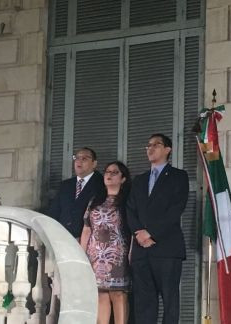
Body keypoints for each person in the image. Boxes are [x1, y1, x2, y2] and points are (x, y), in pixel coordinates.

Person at [125, 133, 189, 324]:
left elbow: (176, 209)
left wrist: (150, 232)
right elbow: (130, 209)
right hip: (141, 248)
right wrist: (139, 233)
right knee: (144, 302)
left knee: (169, 300)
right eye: (148, 145)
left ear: (168, 150)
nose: (150, 148)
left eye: (156, 145)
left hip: (167, 247)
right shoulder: (139, 180)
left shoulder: (179, 176)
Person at [80, 161, 131, 324]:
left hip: (117, 254)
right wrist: (82, 253)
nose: (109, 175)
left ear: (123, 179)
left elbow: (133, 228)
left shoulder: (127, 200)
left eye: (114, 172)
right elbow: (87, 228)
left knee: (118, 294)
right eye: (107, 171)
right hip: (95, 253)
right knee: (100, 294)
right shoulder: (95, 200)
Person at [47, 147, 105, 239]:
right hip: (64, 238)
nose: (79, 161)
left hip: (89, 240)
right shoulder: (65, 185)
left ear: (94, 164)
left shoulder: (102, 184)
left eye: (84, 158)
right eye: (77, 158)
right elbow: (54, 211)